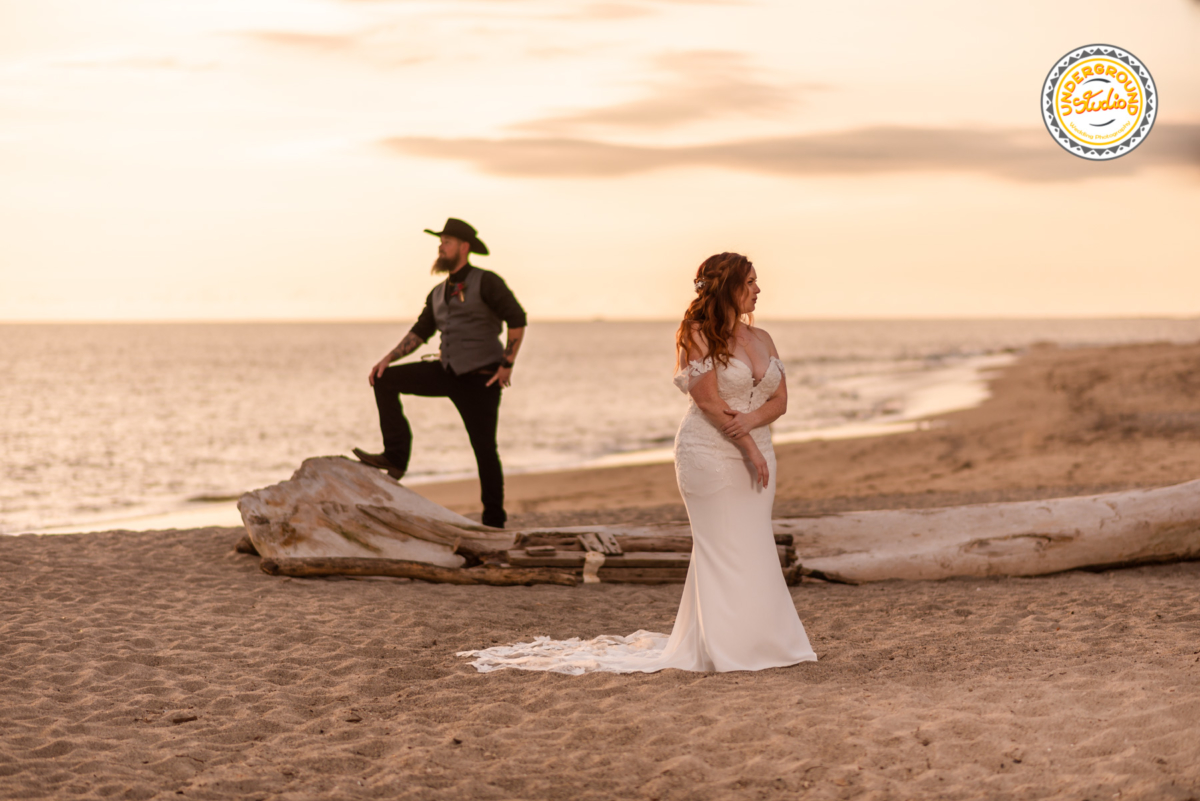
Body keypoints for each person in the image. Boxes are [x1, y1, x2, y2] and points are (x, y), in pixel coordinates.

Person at [459, 252, 817, 673]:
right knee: (721, 547)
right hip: (710, 455)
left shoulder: (764, 338)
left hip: (757, 453)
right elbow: (707, 401)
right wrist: (749, 446)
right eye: (751, 281)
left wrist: (755, 430)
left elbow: (781, 400)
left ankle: (766, 641)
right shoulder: (696, 334)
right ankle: (728, 648)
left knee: (753, 542)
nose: (759, 289)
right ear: (729, 288)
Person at [354, 218, 526, 529]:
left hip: (481, 377)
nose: (440, 246)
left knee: (484, 448)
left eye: (447, 241)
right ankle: (395, 455)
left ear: (464, 247)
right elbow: (420, 332)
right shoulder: (437, 293)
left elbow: (517, 319)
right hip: (446, 370)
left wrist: (507, 364)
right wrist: (388, 358)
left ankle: (494, 523)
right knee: (384, 379)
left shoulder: (487, 282)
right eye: (440, 241)